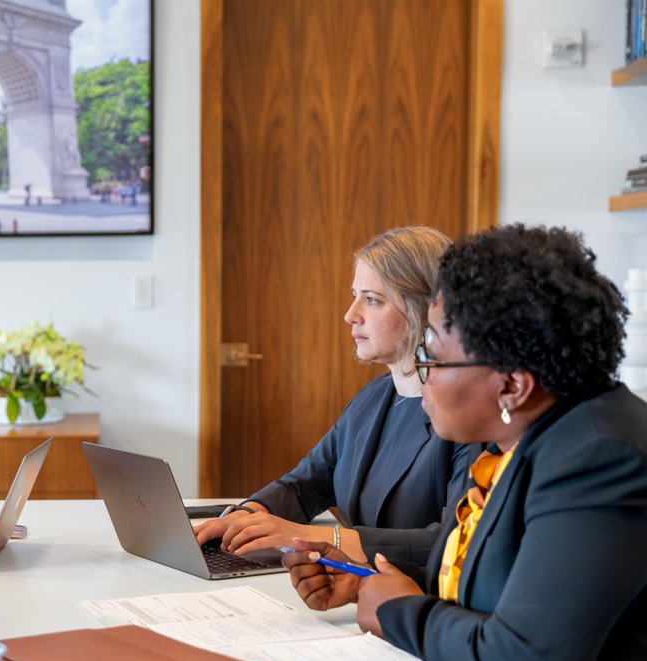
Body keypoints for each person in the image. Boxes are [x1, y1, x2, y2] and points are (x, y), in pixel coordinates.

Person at [284, 224, 647, 661]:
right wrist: (362, 578)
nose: (419, 373)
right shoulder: (539, 440)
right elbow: (504, 570)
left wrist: (399, 610)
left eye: (433, 354)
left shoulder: (600, 457)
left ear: (512, 385)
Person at [196, 226, 479, 563]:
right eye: (354, 295)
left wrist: (317, 536)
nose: (350, 315)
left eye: (372, 300)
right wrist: (244, 516)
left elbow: (455, 541)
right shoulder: (373, 397)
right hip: (354, 589)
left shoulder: (472, 417)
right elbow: (306, 483)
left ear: (426, 309)